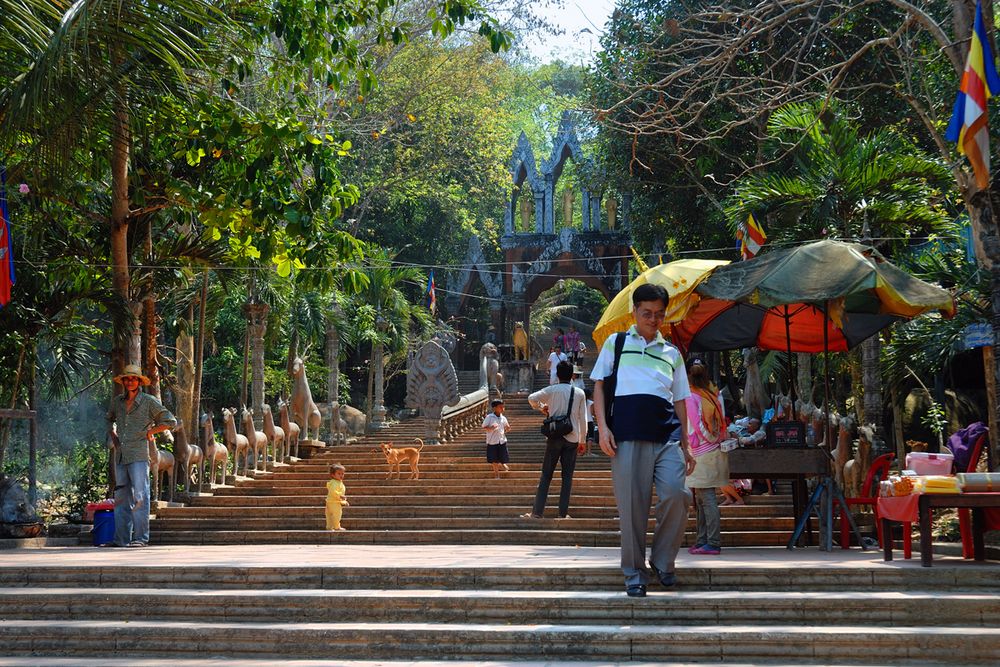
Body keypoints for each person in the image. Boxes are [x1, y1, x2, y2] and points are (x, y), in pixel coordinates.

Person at [591, 283, 694, 598]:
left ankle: (663, 561)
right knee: (632, 508)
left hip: (666, 437)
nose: (653, 320)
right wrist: (603, 428)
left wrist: (687, 444)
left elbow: (680, 401)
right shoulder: (616, 343)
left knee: (678, 494)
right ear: (634, 312)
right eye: (647, 313)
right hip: (627, 437)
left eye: (659, 314)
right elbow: (598, 387)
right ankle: (634, 572)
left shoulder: (672, 353)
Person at [105, 364, 177, 548]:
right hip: (121, 455)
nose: (130, 381)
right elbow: (109, 418)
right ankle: (120, 540)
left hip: (139, 454)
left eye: (133, 378)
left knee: (140, 496)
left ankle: (140, 538)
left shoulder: (149, 401)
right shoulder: (117, 402)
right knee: (121, 497)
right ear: (123, 381)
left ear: (139, 382)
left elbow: (170, 420)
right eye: (127, 379)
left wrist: (150, 432)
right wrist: (113, 433)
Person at [523, 360, 587, 519]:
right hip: (572, 438)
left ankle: (537, 512)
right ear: (572, 375)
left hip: (554, 437)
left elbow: (531, 398)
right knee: (567, 477)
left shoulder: (551, 390)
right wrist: (583, 441)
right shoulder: (579, 393)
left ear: (557, 375)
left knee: (546, 475)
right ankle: (562, 514)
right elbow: (583, 419)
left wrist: (541, 407)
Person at [684, 359, 727, 556]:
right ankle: (702, 540)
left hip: (702, 451)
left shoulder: (691, 396)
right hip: (714, 449)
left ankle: (713, 542)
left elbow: (695, 424)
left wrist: (705, 440)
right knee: (702, 498)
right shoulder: (714, 394)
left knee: (707, 498)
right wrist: (714, 439)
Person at [482, 399, 511, 479]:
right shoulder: (489, 417)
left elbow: (507, 427)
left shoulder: (503, 418)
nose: (502, 408)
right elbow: (484, 427)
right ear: (494, 408)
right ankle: (496, 474)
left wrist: (508, 428)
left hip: (502, 440)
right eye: (500, 407)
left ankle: (503, 464)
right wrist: (491, 428)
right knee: (494, 459)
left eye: (503, 407)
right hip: (492, 441)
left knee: (503, 456)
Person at [326, 463, 349, 531]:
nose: (341, 475)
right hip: (334, 502)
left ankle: (329, 527)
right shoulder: (334, 483)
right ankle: (337, 527)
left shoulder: (337, 482)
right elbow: (333, 491)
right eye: (339, 473)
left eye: (342, 474)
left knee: (330, 515)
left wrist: (344, 502)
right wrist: (340, 496)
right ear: (333, 475)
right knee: (337, 515)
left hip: (331, 501)